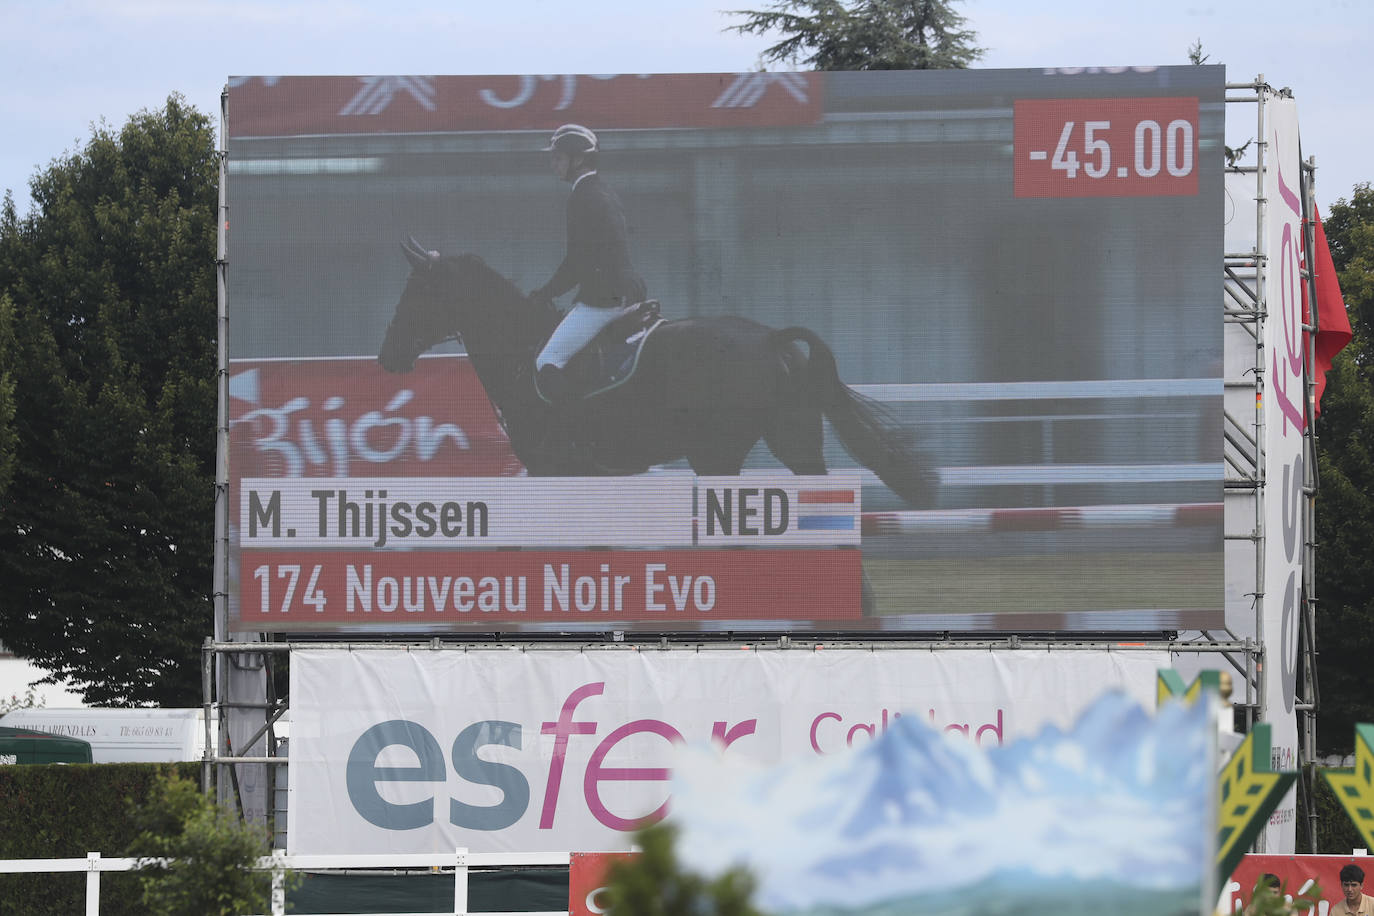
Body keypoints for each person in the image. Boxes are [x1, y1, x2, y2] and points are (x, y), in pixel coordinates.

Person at [530, 123, 647, 402]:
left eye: (558, 158)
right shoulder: (603, 190)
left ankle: (575, 431)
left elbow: (578, 260)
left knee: (548, 360)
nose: (553, 164)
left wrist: (546, 292)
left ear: (578, 159)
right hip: (629, 291)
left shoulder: (583, 197)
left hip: (603, 298)